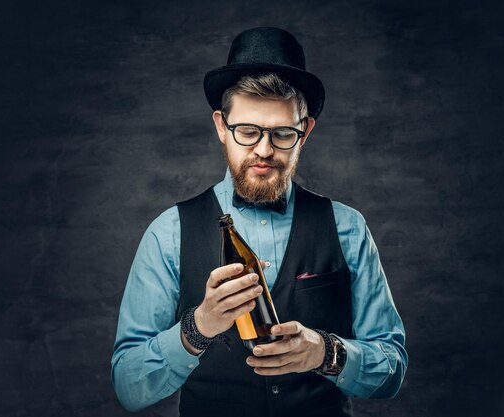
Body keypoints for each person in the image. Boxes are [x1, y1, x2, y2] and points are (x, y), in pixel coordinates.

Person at [111, 26, 408, 417]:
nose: (264, 150)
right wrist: (197, 327)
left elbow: (392, 370)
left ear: (305, 132)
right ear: (221, 126)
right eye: (248, 131)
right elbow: (129, 387)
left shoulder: (348, 227)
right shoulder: (168, 233)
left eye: (282, 133)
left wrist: (324, 351)